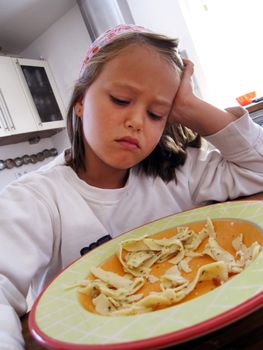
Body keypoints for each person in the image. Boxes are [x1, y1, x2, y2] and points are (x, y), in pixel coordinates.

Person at [0, 23, 263, 349]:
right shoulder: (37, 199)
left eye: (156, 114)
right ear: (81, 101)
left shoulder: (178, 171)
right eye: (121, 100)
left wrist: (189, 108)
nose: (137, 121)